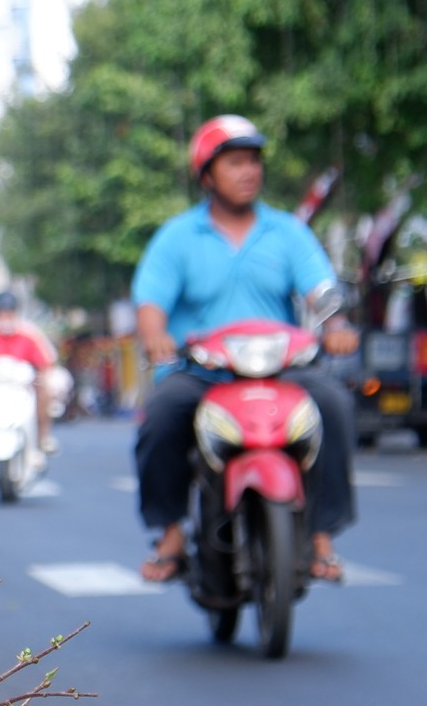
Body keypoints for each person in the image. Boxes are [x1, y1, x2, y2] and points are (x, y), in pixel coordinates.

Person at [132, 115, 360, 584]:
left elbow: (321, 292)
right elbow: (151, 303)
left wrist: (335, 323)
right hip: (201, 370)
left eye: (254, 161)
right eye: (235, 162)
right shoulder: (177, 237)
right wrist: (155, 336)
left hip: (279, 368)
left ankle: (321, 535)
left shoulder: (287, 232)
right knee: (159, 415)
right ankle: (171, 531)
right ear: (207, 174)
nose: (248, 171)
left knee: (334, 405)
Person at [0, 290, 59, 454]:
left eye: (9, 313)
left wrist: (41, 376)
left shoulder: (29, 334)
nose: (6, 318)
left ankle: (44, 436)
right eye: (2, 314)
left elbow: (46, 362)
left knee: (45, 388)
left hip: (22, 387)